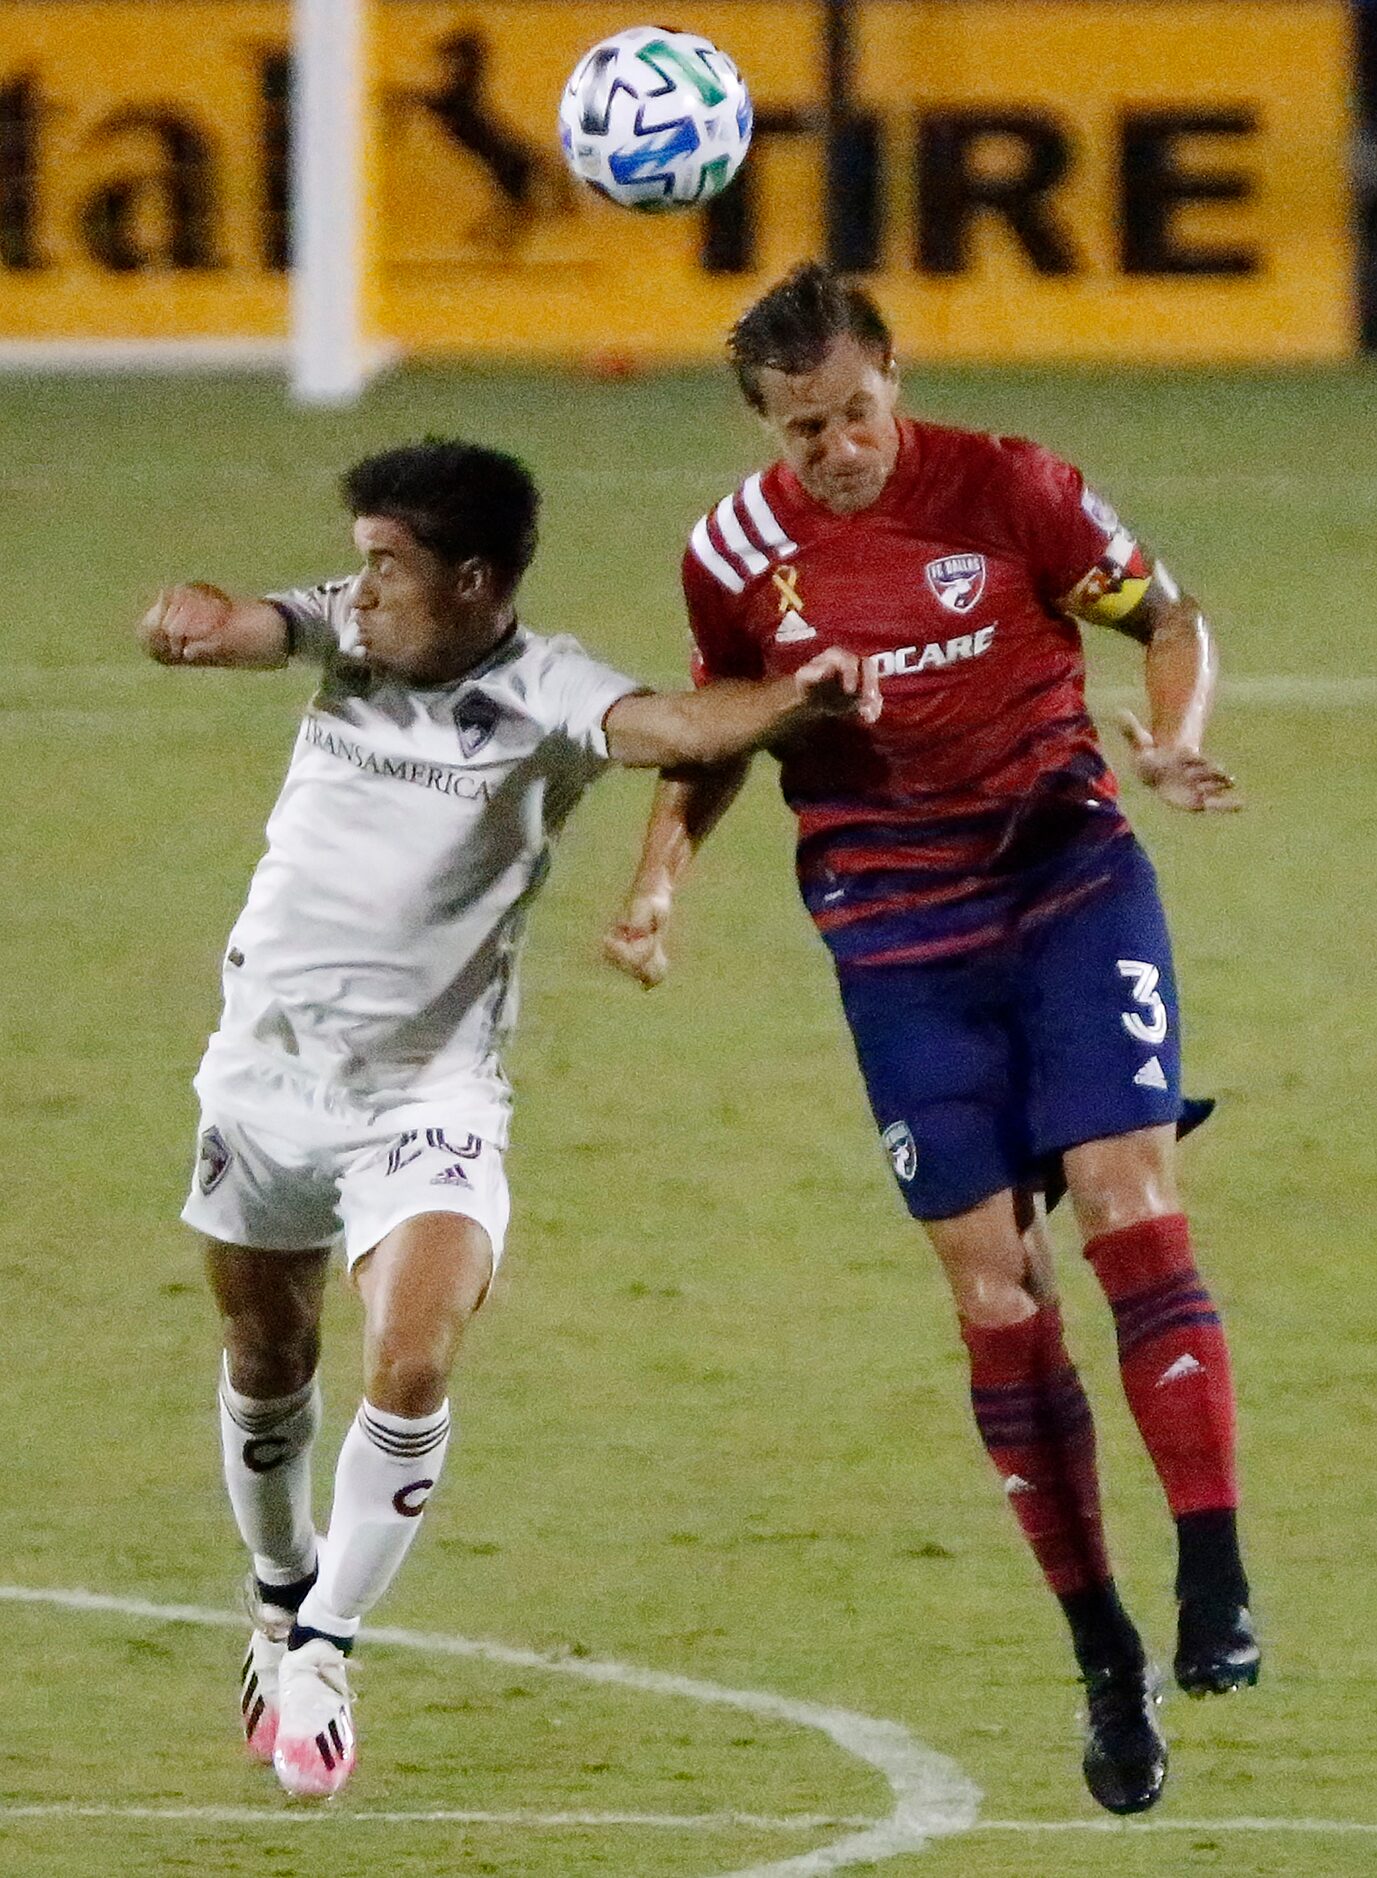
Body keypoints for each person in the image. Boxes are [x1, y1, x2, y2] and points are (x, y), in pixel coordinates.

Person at [604, 262, 1258, 1817]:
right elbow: (720, 732)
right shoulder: (733, 555)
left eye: (853, 410)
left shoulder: (1010, 488)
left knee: (1124, 1190)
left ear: (894, 370)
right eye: (801, 429)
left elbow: (1161, 615)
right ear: (764, 426)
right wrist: (654, 886)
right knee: (994, 1287)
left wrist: (1170, 736)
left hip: (1064, 872)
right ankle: (1102, 1655)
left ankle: (1214, 1576)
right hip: (895, 936)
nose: (835, 448)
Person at [138, 438, 878, 1800]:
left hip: (425, 1094)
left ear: (472, 580)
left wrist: (792, 697)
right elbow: (250, 621)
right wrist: (193, 613)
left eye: (385, 566)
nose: (358, 592)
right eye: (356, 561)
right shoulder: (350, 636)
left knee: (410, 1358)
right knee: (265, 1346)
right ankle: (276, 1589)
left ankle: (323, 1645)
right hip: (262, 1071)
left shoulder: (548, 689)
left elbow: (673, 724)